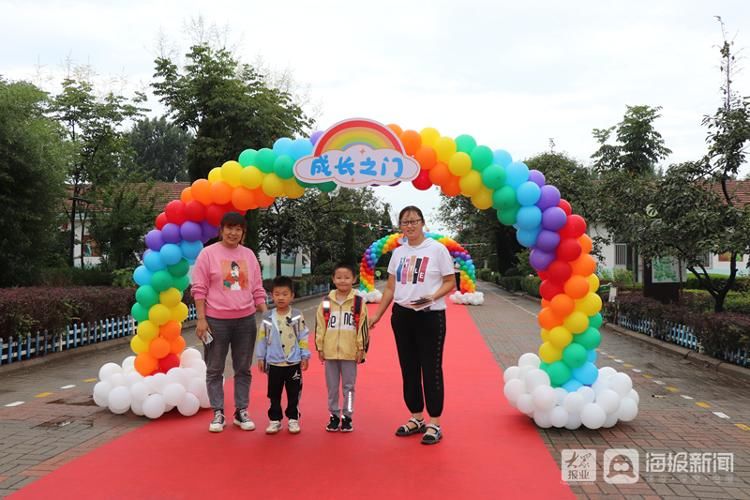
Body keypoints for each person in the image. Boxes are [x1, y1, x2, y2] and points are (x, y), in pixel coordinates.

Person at [368, 206, 455, 445]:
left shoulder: (437, 250)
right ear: (400, 227)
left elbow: (450, 282)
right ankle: (416, 417)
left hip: (430, 316)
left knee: (431, 369)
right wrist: (377, 315)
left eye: (414, 221)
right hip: (402, 316)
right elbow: (390, 288)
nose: (410, 226)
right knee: (408, 368)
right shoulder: (398, 253)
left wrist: (431, 297)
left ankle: (434, 422)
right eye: (405, 222)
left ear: (422, 222)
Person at [192, 212, 268, 433]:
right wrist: (201, 319)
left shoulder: (249, 255)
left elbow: (257, 288)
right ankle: (218, 412)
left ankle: (241, 411)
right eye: (229, 228)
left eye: (238, 229)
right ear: (221, 229)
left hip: (245, 321)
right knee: (214, 369)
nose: (233, 233)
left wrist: (268, 314)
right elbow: (199, 289)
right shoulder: (208, 254)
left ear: (243, 232)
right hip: (216, 321)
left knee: (243, 368)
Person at [315, 263, 369, 433]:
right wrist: (320, 347)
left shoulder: (358, 302)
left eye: (347, 277)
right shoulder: (325, 302)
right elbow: (320, 326)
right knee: (332, 387)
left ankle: (347, 416)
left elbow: (362, 327)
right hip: (330, 352)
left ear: (354, 279)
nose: (343, 281)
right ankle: (334, 415)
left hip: (349, 353)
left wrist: (361, 348)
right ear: (333, 279)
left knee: (349, 387)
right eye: (339, 277)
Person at [256, 276, 310, 434]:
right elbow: (262, 338)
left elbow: (303, 335)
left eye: (285, 294)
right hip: (274, 363)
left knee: (294, 393)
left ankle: (293, 418)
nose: (281, 297)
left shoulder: (297, 315)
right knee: (274, 393)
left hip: (293, 362)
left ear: (292, 296)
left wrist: (304, 355)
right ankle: (274, 419)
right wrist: (261, 357)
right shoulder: (267, 317)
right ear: (271, 295)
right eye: (277, 294)